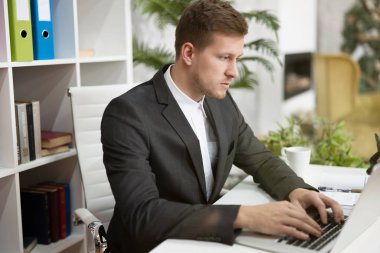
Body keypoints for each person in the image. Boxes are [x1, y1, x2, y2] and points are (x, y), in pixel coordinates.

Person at [101, 0, 343, 252]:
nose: (234, 72)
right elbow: (142, 215)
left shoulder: (220, 101)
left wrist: (296, 188)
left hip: (203, 239)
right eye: (225, 57)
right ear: (189, 53)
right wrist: (247, 216)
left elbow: (259, 159)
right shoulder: (128, 114)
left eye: (237, 58)